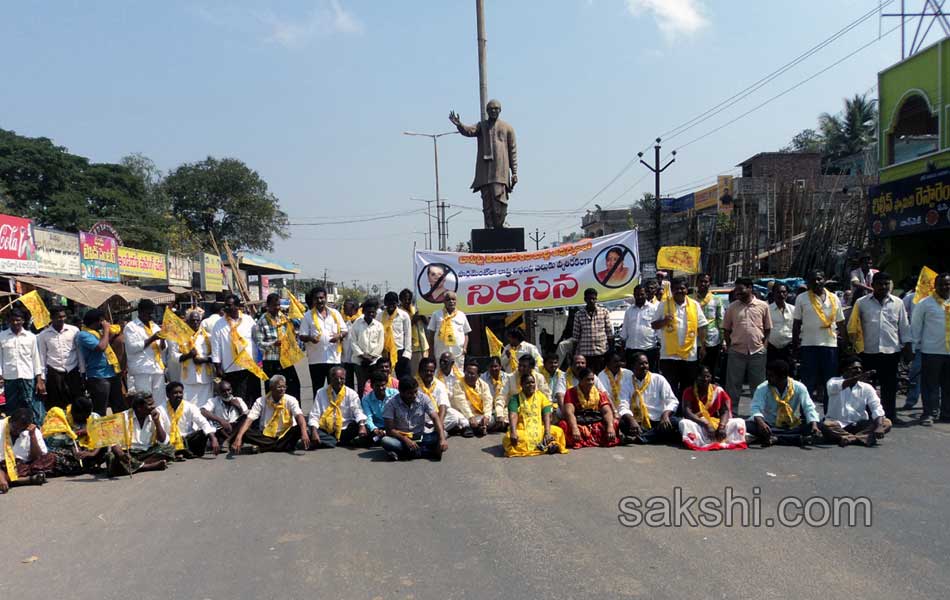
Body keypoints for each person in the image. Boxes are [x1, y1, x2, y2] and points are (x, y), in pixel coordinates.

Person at [847, 271, 912, 420]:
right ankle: (868, 416)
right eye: (880, 284)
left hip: (891, 351)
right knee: (867, 386)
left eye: (886, 284)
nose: (883, 287)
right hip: (868, 351)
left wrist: (908, 347)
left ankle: (890, 416)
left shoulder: (898, 302)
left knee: (890, 386)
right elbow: (854, 325)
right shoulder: (861, 303)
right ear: (873, 285)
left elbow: (904, 326)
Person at [449, 98, 518, 229]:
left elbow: (512, 151)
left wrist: (514, 172)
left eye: (496, 108)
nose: (493, 111)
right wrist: (459, 125)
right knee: (487, 201)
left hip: (500, 171)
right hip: (485, 172)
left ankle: (501, 224)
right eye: (491, 109)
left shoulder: (507, 128)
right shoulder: (482, 126)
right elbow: (469, 131)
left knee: (500, 200)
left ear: (500, 110)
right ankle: (490, 226)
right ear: (487, 111)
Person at [793, 270, 845, 409]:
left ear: (825, 279)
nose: (816, 282)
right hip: (809, 345)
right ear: (808, 282)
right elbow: (797, 323)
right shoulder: (801, 298)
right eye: (813, 280)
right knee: (808, 383)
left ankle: (830, 414)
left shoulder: (834, 298)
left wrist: (846, 343)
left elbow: (840, 322)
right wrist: (795, 345)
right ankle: (807, 417)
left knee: (831, 382)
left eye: (819, 279)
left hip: (830, 345)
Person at [722, 277, 772, 417]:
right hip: (737, 352)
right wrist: (730, 346)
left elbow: (768, 329)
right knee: (733, 385)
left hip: (757, 352)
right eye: (736, 290)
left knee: (758, 385)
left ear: (750, 288)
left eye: (740, 289)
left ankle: (758, 414)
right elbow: (726, 329)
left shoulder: (763, 306)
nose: (737, 293)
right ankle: (732, 414)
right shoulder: (732, 307)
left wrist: (764, 346)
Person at [652, 277, 708, 399]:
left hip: (689, 355)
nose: (679, 291)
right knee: (670, 386)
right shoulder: (663, 305)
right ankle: (670, 412)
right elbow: (654, 325)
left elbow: (702, 326)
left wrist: (703, 346)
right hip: (669, 355)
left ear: (687, 290)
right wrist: (664, 321)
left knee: (687, 386)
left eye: (682, 288)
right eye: (676, 288)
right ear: (671, 290)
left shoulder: (694, 305)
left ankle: (684, 412)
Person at [747, 360, 822, 447]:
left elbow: (808, 407)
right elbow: (756, 408)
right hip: (768, 425)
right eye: (767, 375)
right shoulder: (762, 388)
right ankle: (796, 439)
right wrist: (761, 424)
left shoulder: (799, 387)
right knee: (746, 426)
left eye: (771, 376)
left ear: (782, 377)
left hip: (790, 425)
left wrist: (814, 426)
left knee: (819, 425)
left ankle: (775, 438)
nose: (767, 378)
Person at [231, 374, 311, 455]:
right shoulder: (261, 401)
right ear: (271, 388)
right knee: (243, 429)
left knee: (300, 427)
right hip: (266, 436)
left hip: (285, 435)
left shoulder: (291, 400)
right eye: (279, 387)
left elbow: (299, 415)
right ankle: (280, 447)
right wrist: (239, 437)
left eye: (284, 387)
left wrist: (304, 433)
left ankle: (264, 448)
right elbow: (250, 419)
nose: (282, 389)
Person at [822, 356, 891, 447]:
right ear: (844, 369)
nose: (858, 370)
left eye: (860, 368)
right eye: (855, 368)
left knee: (886, 422)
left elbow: (876, 408)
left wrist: (879, 427)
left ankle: (850, 439)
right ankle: (862, 438)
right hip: (838, 424)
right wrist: (858, 378)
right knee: (826, 425)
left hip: (860, 424)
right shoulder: (833, 381)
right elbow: (840, 385)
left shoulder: (867, 387)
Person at [910, 272, 950, 425]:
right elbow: (915, 327)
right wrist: (913, 348)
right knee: (930, 385)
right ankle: (929, 414)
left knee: (948, 385)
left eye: (947, 284)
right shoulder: (925, 303)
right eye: (941, 284)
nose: (945, 287)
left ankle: (946, 414)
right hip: (932, 351)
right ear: (935, 285)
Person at [617, 352, 679, 445]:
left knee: (674, 421)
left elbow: (672, 401)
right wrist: (632, 420)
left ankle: (639, 439)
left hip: (658, 420)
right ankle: (652, 436)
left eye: (646, 363)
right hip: (638, 422)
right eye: (641, 364)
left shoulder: (658, 379)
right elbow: (622, 405)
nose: (645, 366)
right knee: (622, 423)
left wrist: (665, 415)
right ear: (633, 366)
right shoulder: (626, 383)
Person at [679, 366, 747, 451]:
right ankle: (704, 442)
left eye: (708, 376)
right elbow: (687, 412)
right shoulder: (689, 391)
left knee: (739, 421)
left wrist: (721, 427)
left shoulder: (717, 390)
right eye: (702, 376)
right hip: (698, 423)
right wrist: (706, 424)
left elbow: (724, 410)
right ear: (696, 377)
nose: (705, 379)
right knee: (684, 423)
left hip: (716, 423)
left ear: (711, 377)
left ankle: (721, 440)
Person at [381, 376, 449, 460]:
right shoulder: (391, 403)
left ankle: (405, 454)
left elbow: (435, 418)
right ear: (401, 392)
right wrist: (405, 440)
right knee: (386, 441)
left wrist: (442, 439)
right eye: (410, 393)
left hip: (420, 437)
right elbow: (389, 430)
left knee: (444, 434)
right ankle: (425, 452)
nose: (414, 395)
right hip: (401, 438)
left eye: (415, 392)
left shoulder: (423, 398)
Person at [210, 294, 261, 407]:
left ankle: (254, 422)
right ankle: (239, 422)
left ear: (238, 306)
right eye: (225, 306)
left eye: (229, 305)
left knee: (253, 394)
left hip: (250, 365)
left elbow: (257, 339)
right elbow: (216, 347)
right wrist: (218, 367)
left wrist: (259, 360)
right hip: (231, 367)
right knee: (237, 398)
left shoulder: (248, 320)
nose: (226, 308)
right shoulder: (219, 324)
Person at [108, 392, 175, 476]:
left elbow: (164, 441)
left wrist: (157, 422)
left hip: (147, 452)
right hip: (128, 453)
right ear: (139, 408)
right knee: (111, 457)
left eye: (153, 403)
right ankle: (148, 466)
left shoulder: (155, 415)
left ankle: (135, 466)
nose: (153, 407)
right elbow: (113, 441)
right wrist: (120, 453)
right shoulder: (123, 417)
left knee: (169, 449)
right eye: (150, 404)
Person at [503, 373, 568, 457]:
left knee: (559, 432)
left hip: (540, 428)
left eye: (532, 382)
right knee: (508, 438)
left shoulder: (541, 396)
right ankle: (548, 445)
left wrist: (547, 432)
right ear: (521, 385)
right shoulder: (515, 398)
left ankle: (548, 444)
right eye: (527, 383)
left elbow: (547, 415)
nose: (530, 385)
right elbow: (513, 415)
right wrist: (513, 432)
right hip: (523, 429)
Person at [0, 308, 45, 424]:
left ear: (23, 320)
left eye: (18, 320)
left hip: (27, 377)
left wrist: (39, 379)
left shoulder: (31, 337)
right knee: (12, 408)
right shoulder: (2, 336)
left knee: (30, 406)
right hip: (10, 378)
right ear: (8, 321)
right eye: (13, 320)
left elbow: (36, 359)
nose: (15, 323)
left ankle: (33, 432)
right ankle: (13, 434)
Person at [76, 309, 124, 417]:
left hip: (111, 373)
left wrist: (111, 333)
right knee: (101, 409)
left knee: (119, 407)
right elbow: (101, 347)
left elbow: (106, 343)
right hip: (98, 376)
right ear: (97, 321)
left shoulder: (98, 333)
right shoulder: (83, 334)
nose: (104, 323)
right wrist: (106, 330)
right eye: (102, 321)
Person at [299, 286, 348, 392]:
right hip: (316, 360)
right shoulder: (307, 316)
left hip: (333, 358)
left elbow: (345, 330)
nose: (319, 300)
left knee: (336, 389)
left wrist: (338, 336)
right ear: (313, 300)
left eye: (322, 298)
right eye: (317, 298)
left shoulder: (335, 313)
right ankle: (320, 409)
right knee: (318, 390)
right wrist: (310, 338)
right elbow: (301, 335)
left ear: (326, 298)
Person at [40, 395, 104, 476]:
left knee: (108, 444)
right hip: (70, 453)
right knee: (52, 457)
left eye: (87, 416)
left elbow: (103, 436)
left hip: (91, 453)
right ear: (73, 412)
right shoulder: (59, 417)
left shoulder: (93, 417)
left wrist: (92, 453)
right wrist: (72, 439)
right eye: (83, 417)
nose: (86, 419)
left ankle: (83, 466)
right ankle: (83, 467)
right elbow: (51, 440)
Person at [308, 365, 370, 448]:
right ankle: (339, 442)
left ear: (345, 378)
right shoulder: (321, 392)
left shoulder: (351, 393)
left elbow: (358, 411)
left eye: (342, 378)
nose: (339, 381)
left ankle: (330, 442)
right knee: (310, 429)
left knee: (365, 426)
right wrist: (314, 432)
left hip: (345, 429)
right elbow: (314, 414)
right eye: (336, 378)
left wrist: (362, 426)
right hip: (327, 429)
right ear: (330, 379)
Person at [254, 293, 302, 400]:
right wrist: (273, 344)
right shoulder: (262, 321)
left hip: (286, 360)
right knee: (272, 391)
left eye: (278, 305)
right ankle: (272, 414)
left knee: (294, 387)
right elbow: (259, 344)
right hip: (271, 361)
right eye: (274, 305)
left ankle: (293, 414)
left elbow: (295, 328)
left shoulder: (283, 317)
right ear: (268, 305)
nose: (277, 308)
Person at [560, 367, 619, 448]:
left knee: (615, 423)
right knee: (564, 425)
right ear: (580, 380)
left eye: (592, 379)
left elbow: (607, 411)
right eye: (588, 380)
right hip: (579, 422)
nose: (591, 382)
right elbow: (569, 413)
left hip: (595, 420)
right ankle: (579, 440)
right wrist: (574, 428)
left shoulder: (599, 393)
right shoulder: (571, 393)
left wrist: (610, 426)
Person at [124, 299, 167, 406]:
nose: (151, 315)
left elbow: (163, 349)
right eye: (148, 313)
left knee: (160, 401)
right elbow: (132, 348)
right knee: (145, 402)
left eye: (152, 312)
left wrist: (162, 339)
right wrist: (152, 338)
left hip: (157, 368)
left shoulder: (155, 326)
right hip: (142, 369)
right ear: (140, 312)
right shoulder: (131, 327)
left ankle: (159, 422)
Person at [36, 305, 80, 410]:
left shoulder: (74, 330)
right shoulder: (43, 335)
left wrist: (82, 370)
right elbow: (42, 356)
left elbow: (79, 352)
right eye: (58, 317)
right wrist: (41, 378)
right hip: (54, 372)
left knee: (76, 402)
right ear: (51, 318)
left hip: (72, 371)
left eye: (63, 316)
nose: (61, 319)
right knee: (57, 404)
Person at [169, 309, 215, 407]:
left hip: (205, 377)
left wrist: (203, 360)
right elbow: (173, 356)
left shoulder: (208, 337)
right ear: (187, 321)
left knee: (206, 406)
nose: (195, 323)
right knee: (188, 407)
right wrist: (188, 355)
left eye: (197, 320)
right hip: (188, 378)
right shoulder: (180, 337)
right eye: (192, 320)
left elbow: (215, 355)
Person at [0, 407, 53, 491]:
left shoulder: (33, 431)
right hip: (2, 466)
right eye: (14, 427)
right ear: (10, 421)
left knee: (50, 458)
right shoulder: (1, 425)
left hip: (22, 466)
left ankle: (10, 479)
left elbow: (38, 457)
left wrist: (32, 436)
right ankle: (27, 480)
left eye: (21, 429)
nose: (17, 431)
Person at [495, 354, 552, 430]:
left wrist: (549, 411)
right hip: (516, 410)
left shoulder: (539, 377)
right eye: (520, 365)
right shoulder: (510, 378)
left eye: (524, 366)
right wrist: (499, 414)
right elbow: (501, 397)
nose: (520, 368)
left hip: (535, 409)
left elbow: (546, 397)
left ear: (531, 368)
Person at [163, 381, 219, 459]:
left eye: (180, 392)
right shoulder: (161, 409)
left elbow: (202, 422)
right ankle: (180, 452)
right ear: (168, 395)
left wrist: (213, 438)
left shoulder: (190, 406)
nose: (178, 395)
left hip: (187, 439)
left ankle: (181, 452)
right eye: (175, 393)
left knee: (203, 433)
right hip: (170, 441)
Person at [417, 356, 470, 435]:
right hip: (419, 418)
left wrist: (440, 423)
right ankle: (439, 432)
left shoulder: (439, 384)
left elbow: (443, 405)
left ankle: (435, 431)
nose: (429, 373)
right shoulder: (413, 384)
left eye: (431, 371)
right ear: (420, 371)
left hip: (436, 418)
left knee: (454, 417)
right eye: (426, 371)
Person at [572, 288, 613, 373]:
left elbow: (609, 333)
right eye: (589, 299)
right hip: (585, 353)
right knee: (586, 377)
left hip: (601, 353)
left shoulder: (604, 312)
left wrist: (611, 350)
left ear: (596, 299)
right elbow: (576, 336)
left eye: (593, 299)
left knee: (600, 376)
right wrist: (574, 353)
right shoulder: (579, 315)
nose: (591, 301)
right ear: (585, 299)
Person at [348, 297, 385, 393]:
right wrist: (362, 356)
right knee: (362, 387)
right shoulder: (357, 324)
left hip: (374, 362)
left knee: (375, 386)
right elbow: (353, 342)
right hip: (359, 362)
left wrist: (371, 358)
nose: (371, 314)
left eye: (373, 312)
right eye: (368, 312)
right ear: (363, 311)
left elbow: (380, 344)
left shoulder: (379, 326)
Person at [426, 292, 471, 368]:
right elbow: (431, 334)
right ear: (443, 301)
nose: (451, 301)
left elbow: (466, 334)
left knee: (458, 375)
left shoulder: (461, 315)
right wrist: (431, 352)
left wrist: (465, 348)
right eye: (448, 299)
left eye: (453, 299)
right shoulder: (436, 314)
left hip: (458, 353)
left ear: (456, 301)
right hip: (440, 352)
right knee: (440, 375)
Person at [620, 284, 659, 372]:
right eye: (637, 294)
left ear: (646, 294)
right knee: (631, 377)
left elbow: (658, 331)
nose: (639, 296)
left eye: (642, 294)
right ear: (634, 295)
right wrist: (622, 354)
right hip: (631, 351)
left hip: (649, 350)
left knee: (649, 377)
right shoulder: (629, 311)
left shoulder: (654, 309)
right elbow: (624, 333)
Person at [200, 380, 248, 447]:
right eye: (223, 391)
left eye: (228, 390)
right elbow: (202, 411)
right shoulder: (214, 401)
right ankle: (230, 441)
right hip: (222, 430)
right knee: (209, 420)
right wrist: (221, 421)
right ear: (219, 392)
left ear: (232, 389)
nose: (227, 393)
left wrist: (239, 407)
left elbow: (246, 416)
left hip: (235, 429)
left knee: (246, 418)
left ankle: (229, 440)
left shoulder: (238, 400)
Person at [695, 274, 725, 377]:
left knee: (710, 369)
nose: (703, 284)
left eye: (706, 282)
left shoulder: (716, 299)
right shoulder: (690, 299)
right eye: (701, 281)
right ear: (696, 283)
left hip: (712, 340)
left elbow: (721, 320)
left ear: (709, 284)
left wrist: (723, 340)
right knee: (694, 370)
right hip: (694, 340)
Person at [378, 291, 412, 379]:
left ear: (397, 303)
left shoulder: (403, 316)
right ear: (385, 303)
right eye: (388, 303)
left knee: (404, 379)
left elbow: (408, 334)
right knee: (385, 378)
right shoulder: (379, 316)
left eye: (393, 303)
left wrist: (407, 353)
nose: (390, 305)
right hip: (385, 352)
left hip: (400, 351)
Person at [456, 360, 496, 436]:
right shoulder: (458, 383)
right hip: (464, 414)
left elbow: (488, 400)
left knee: (492, 419)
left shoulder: (483, 385)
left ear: (478, 375)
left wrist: (486, 416)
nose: (468, 375)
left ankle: (477, 427)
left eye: (472, 374)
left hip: (479, 414)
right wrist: (470, 417)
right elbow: (461, 403)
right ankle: (476, 427)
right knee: (457, 418)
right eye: (467, 372)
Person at [362, 371, 398, 445]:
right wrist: (374, 429)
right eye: (377, 386)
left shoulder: (395, 394)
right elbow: (368, 417)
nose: (381, 388)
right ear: (372, 386)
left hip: (394, 426)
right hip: (378, 428)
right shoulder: (366, 399)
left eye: (383, 385)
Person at [400, 288, 429, 375]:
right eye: (405, 299)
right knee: (415, 372)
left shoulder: (416, 308)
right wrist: (413, 320)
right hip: (412, 347)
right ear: (401, 300)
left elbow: (427, 323)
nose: (407, 301)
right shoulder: (400, 313)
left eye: (409, 299)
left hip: (423, 345)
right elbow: (402, 329)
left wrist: (423, 316)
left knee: (425, 371)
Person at [767, 283, 795, 369]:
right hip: (772, 348)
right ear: (773, 294)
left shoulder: (793, 309)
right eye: (778, 292)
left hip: (788, 348)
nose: (781, 295)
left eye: (784, 292)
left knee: (789, 374)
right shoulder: (767, 309)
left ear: (787, 293)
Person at [340, 298, 362, 389]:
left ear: (354, 309)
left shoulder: (361, 322)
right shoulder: (344, 322)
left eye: (346, 306)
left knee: (361, 384)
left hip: (358, 359)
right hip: (346, 359)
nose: (343, 308)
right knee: (348, 386)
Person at [539, 352, 567, 416]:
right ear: (544, 364)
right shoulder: (539, 375)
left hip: (559, 405)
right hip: (543, 404)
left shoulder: (563, 375)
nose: (553, 365)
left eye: (555, 363)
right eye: (550, 363)